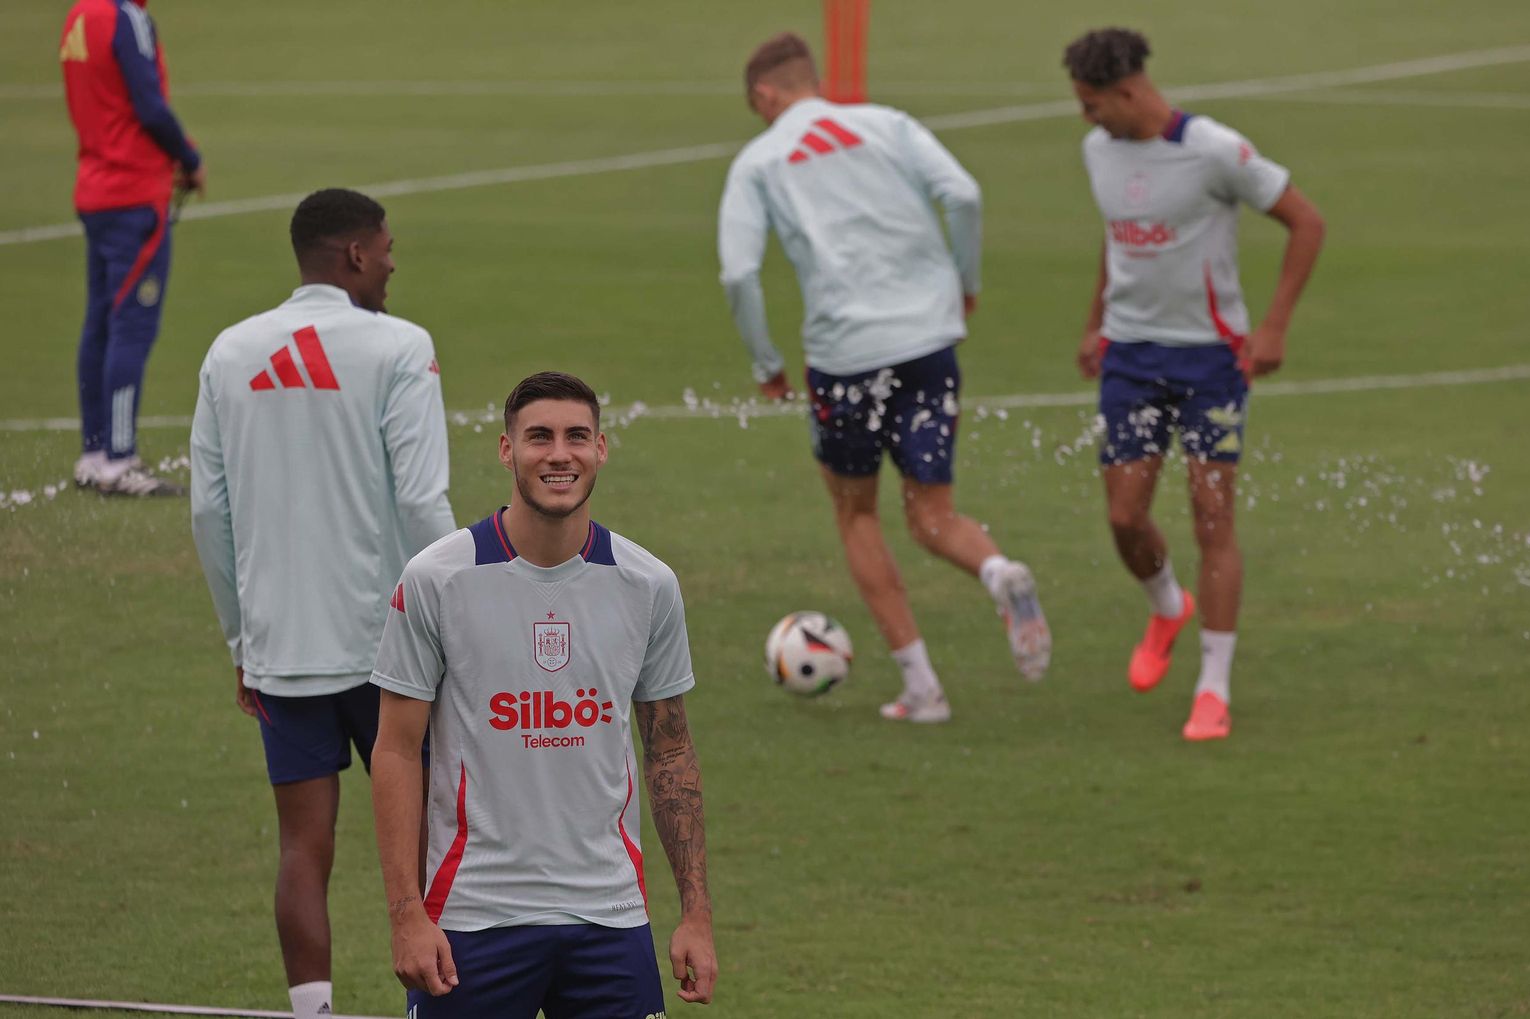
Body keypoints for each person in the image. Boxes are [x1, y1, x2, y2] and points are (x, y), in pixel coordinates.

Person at [716, 32, 1051, 724]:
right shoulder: (886, 122)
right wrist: (964, 281)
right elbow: (962, 192)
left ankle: (924, 689)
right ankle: (997, 572)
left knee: (857, 512)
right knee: (933, 514)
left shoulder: (760, 160)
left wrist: (766, 363)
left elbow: (738, 272)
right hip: (930, 341)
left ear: (764, 96)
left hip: (846, 356)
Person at [370, 371, 718, 1016]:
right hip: (473, 919)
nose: (560, 454)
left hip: (610, 917)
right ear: (507, 450)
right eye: (539, 437)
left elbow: (670, 752)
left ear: (601, 448)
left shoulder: (648, 584)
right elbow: (394, 750)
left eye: (576, 437)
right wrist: (405, 914)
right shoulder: (437, 579)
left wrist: (695, 914)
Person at [190, 188, 456, 1019]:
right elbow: (422, 500)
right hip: (392, 651)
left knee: (303, 846)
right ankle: (430, 1007)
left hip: (283, 649)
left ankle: (313, 1015)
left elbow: (208, 510)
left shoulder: (228, 351)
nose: (391, 262)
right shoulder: (399, 346)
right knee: (425, 835)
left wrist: (243, 638)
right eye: (384, 249)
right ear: (352, 256)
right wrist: (459, 619)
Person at [1064, 28, 1326, 740]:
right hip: (1131, 359)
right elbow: (1119, 233)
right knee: (1124, 516)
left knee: (1213, 517)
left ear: (1128, 91)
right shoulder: (1098, 152)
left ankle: (1213, 687)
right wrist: (1096, 322)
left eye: (1092, 105)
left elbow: (1306, 222)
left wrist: (1272, 328)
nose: (1086, 119)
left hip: (1211, 361)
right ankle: (1166, 604)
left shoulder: (1214, 150)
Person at [61, 0, 204, 496]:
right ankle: (119, 461)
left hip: (96, 186)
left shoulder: (80, 14)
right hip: (134, 193)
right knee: (131, 324)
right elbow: (149, 105)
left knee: (100, 320)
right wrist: (188, 157)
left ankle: (93, 453)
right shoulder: (127, 17)